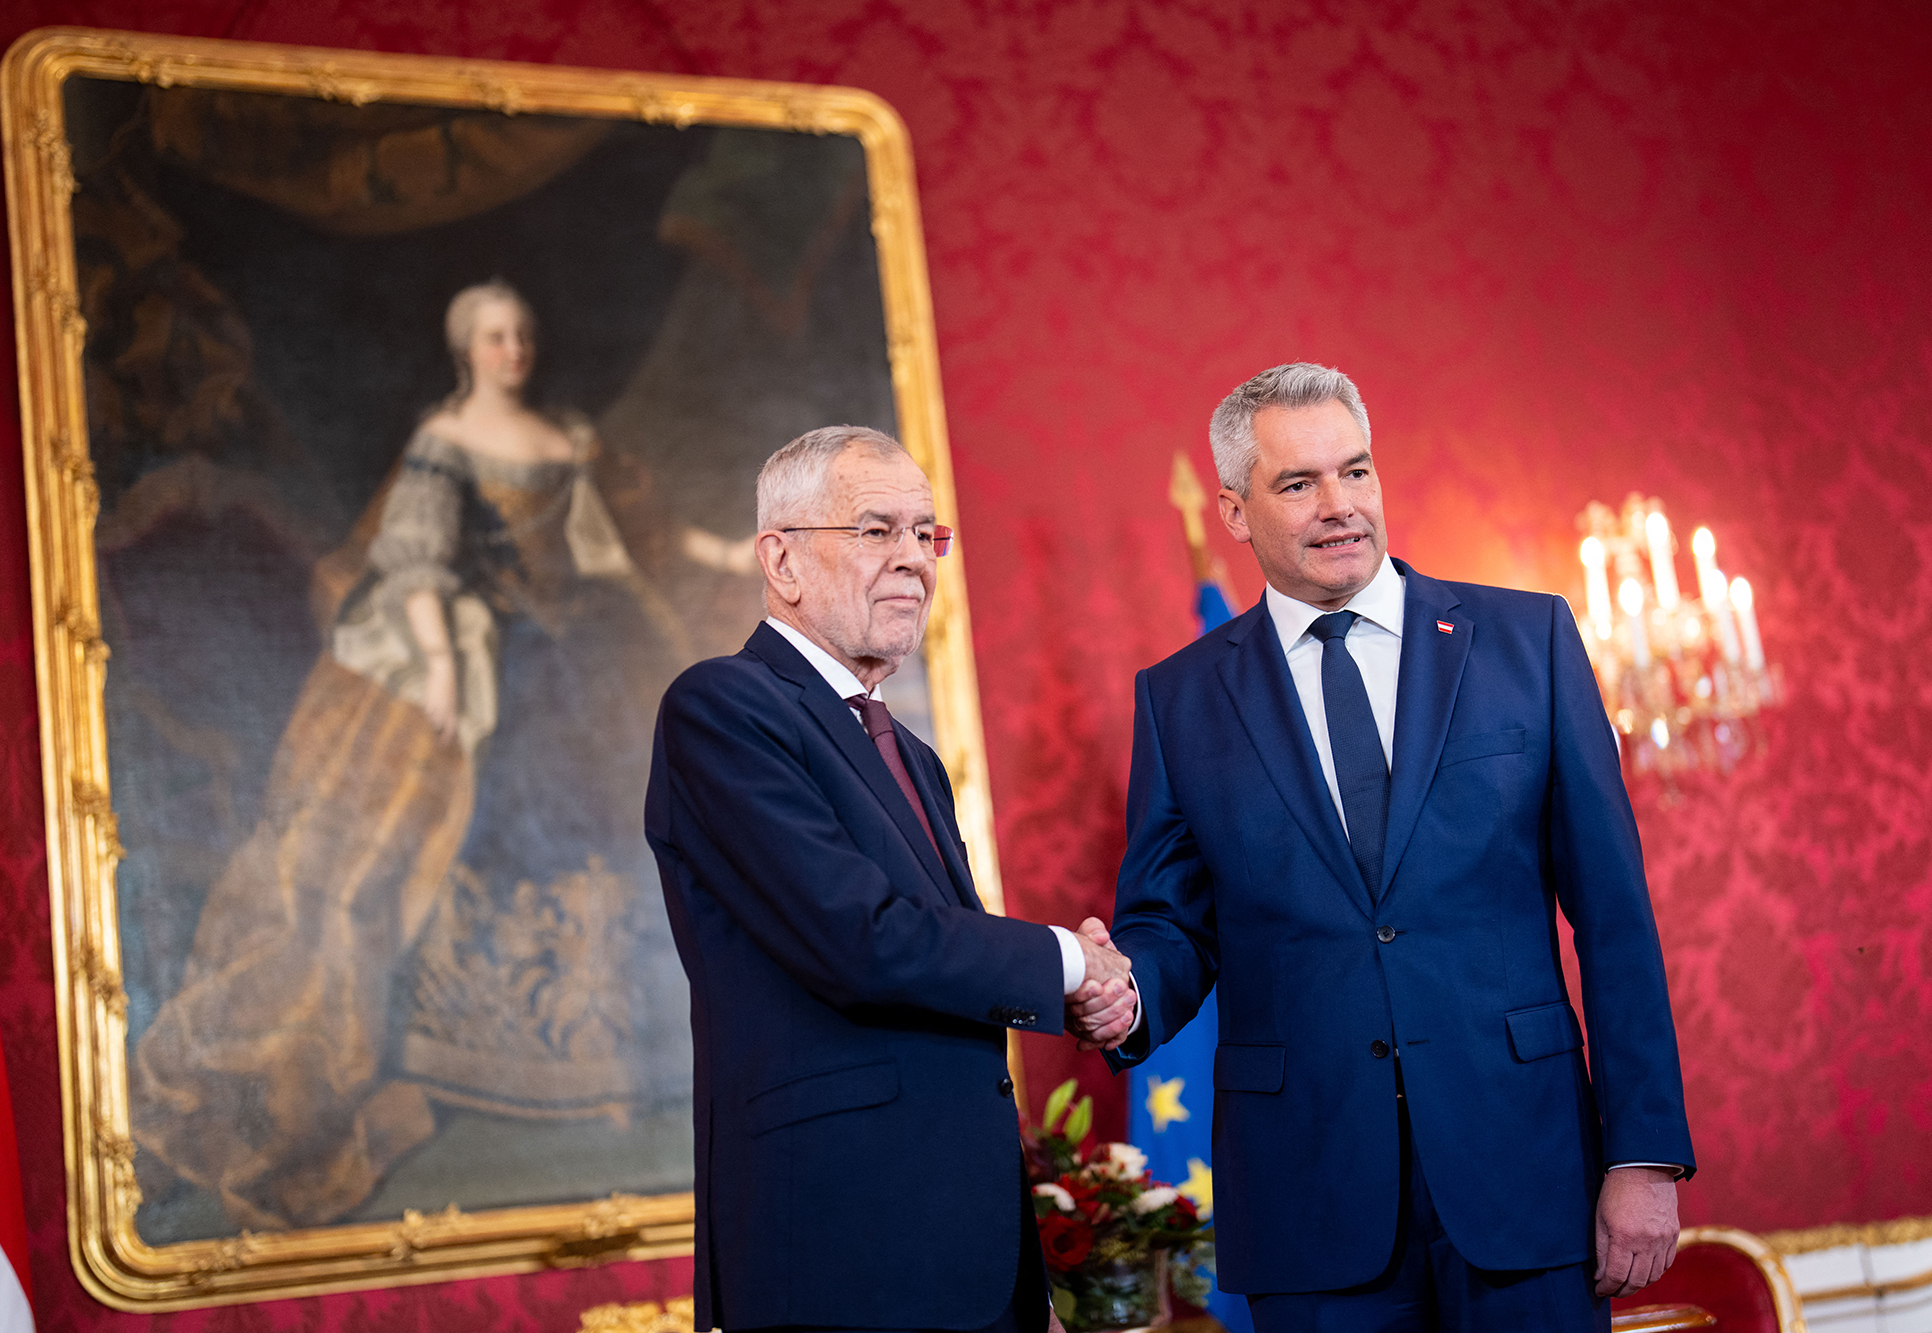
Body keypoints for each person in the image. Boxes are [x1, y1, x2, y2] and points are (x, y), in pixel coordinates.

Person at [1068, 364, 1695, 1332]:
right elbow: (1171, 925)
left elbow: (1612, 917)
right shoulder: (1181, 697)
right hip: (1305, 1196)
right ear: (1232, 511)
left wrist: (1642, 1156)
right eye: (1297, 484)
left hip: (1523, 1174)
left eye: (1354, 471)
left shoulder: (1525, 641)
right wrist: (1122, 991)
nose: (1339, 506)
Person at [131, 280, 689, 1229]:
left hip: (570, 662)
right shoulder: (441, 445)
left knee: (616, 815)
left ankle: (604, 1058)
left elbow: (607, 550)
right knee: (474, 817)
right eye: (493, 337)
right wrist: (438, 655)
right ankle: (476, 1053)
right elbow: (406, 557)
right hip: (488, 667)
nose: (512, 350)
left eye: (521, 334)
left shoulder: (565, 442)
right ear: (465, 348)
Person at [647, 425, 1130, 1333]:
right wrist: (1067, 960)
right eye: (878, 531)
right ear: (781, 560)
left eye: (928, 534)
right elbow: (860, 939)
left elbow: (949, 975)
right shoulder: (721, 707)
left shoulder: (907, 751)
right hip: (837, 1250)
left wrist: (1074, 991)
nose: (914, 559)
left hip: (973, 1253)